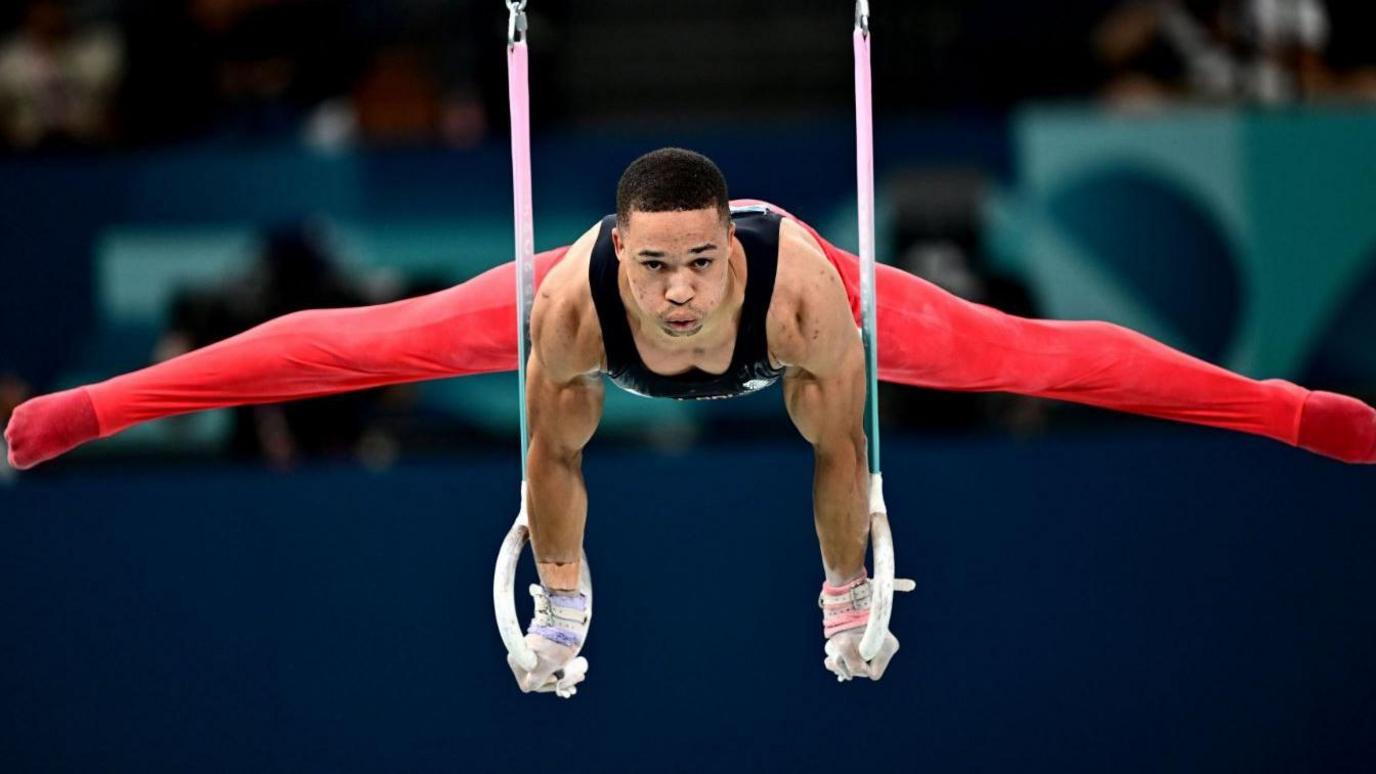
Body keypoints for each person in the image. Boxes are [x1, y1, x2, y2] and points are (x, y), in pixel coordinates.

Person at [5, 148, 1374, 692]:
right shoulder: (573, 307)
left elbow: (843, 457)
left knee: (1044, 359)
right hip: (557, 340)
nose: (670, 292)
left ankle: (1286, 410)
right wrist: (557, 604)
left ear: (735, 250)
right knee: (344, 350)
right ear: (621, 251)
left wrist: (850, 587)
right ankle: (91, 410)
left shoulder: (809, 302)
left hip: (821, 314)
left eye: (695, 264)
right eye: (650, 263)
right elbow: (552, 463)